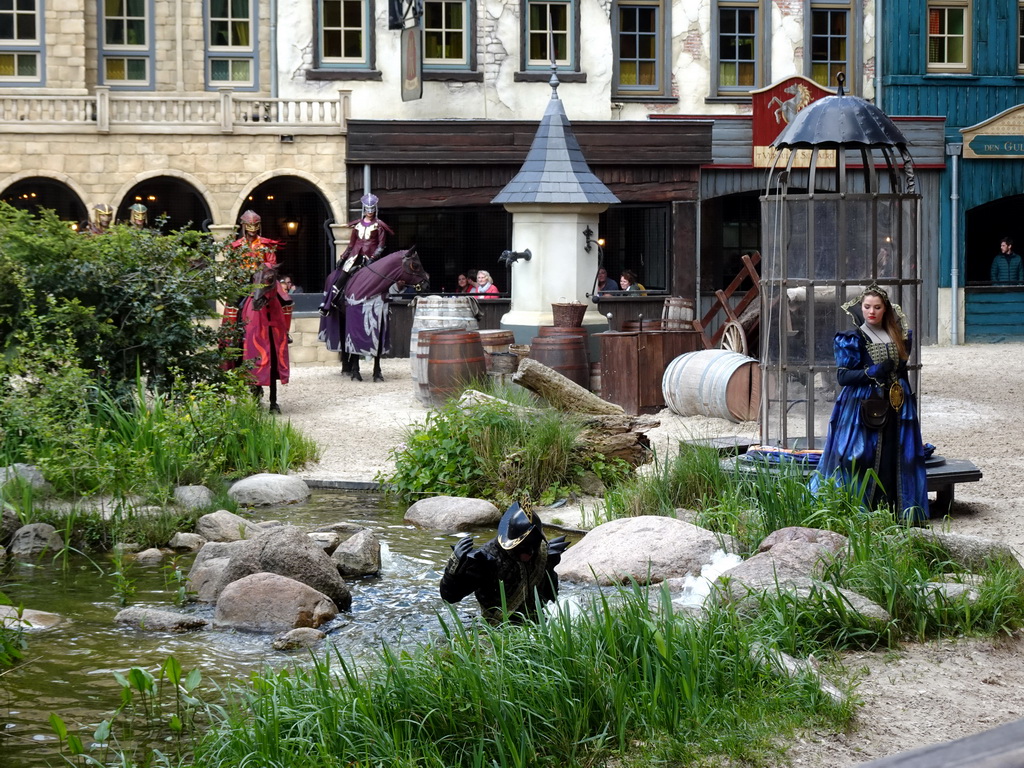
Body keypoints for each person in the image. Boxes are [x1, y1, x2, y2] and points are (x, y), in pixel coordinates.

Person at [811, 284, 929, 525]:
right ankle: (860, 513)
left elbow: (902, 372)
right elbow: (843, 377)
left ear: (885, 309)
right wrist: (873, 371)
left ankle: (897, 513)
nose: (871, 312)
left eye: (877, 307)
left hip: (898, 404)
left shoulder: (899, 335)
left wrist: (909, 399)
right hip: (862, 406)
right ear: (860, 308)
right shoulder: (852, 339)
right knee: (860, 457)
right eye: (867, 307)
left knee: (895, 457)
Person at [439, 500, 569, 624]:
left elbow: (551, 597)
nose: (529, 553)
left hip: (536, 623)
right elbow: (450, 598)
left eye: (533, 546)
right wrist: (453, 568)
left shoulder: (541, 554)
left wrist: (549, 572)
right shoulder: (486, 559)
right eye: (524, 547)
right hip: (498, 628)